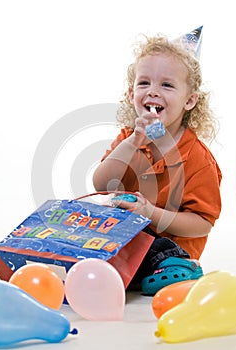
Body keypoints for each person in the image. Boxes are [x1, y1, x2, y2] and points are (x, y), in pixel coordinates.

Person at [92, 33, 222, 295]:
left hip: (168, 245)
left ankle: (181, 268)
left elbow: (202, 222)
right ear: (131, 94)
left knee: (152, 248)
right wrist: (130, 143)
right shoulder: (128, 138)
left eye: (166, 85)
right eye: (144, 83)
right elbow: (101, 185)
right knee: (88, 229)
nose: (152, 91)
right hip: (126, 236)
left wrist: (150, 212)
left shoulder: (197, 158)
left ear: (190, 100)